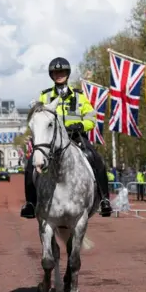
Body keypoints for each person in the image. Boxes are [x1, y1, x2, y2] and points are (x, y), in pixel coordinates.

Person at [21, 57, 113, 218]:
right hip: (52, 141)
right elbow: (38, 118)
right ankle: (30, 203)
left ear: (67, 74)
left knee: (95, 158)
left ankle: (104, 199)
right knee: (31, 164)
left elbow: (92, 118)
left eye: (62, 72)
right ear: (52, 75)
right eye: (56, 73)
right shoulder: (45, 96)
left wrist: (81, 125)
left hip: (76, 137)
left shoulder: (79, 96)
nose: (59, 75)